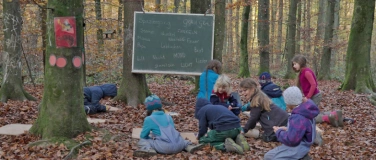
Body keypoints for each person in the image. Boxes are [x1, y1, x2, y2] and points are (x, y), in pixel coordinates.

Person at [134, 95, 204, 157]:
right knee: (180, 138)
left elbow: (143, 136)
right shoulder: (168, 116)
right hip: (179, 145)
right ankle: (189, 146)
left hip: (164, 148)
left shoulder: (149, 119)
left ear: (148, 108)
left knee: (143, 140)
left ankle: (149, 150)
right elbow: (171, 132)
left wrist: (152, 136)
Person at [264, 86, 319, 160]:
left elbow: (292, 140)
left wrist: (278, 132)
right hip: (302, 144)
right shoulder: (305, 110)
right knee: (268, 156)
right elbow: (302, 130)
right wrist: (287, 129)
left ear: (290, 102)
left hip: (298, 147)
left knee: (272, 158)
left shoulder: (298, 117)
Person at [292, 55, 343, 127]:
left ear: (300, 63)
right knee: (311, 113)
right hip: (311, 97)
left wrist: (308, 97)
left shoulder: (306, 72)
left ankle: (328, 117)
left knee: (311, 117)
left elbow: (313, 84)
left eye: (295, 64)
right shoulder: (302, 73)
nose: (294, 66)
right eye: (293, 64)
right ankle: (333, 114)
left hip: (315, 96)